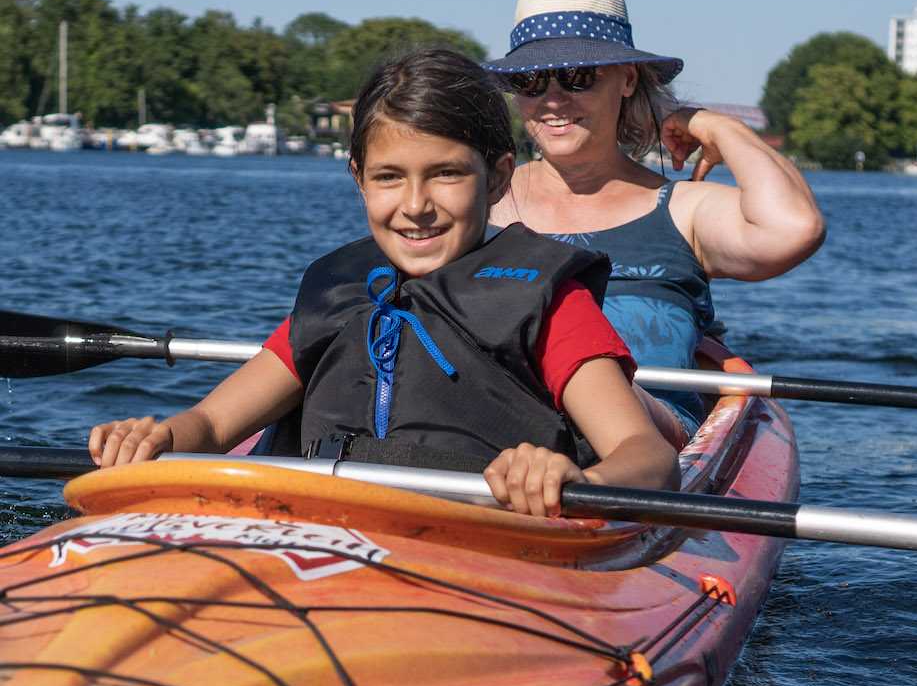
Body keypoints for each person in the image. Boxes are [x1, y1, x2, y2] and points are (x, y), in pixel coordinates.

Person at [89, 49, 678, 518]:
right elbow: (214, 426)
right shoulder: (337, 290)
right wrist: (157, 438)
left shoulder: (549, 302)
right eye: (389, 177)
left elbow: (648, 457)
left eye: (446, 174)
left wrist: (574, 479)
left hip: (481, 537)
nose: (416, 206)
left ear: (497, 178)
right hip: (316, 525)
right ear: (359, 179)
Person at [483, 0, 826, 449]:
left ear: (627, 80)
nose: (553, 99)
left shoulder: (684, 210)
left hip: (650, 443)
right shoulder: (481, 199)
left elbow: (796, 228)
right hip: (498, 434)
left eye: (578, 76)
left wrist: (718, 127)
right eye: (531, 80)